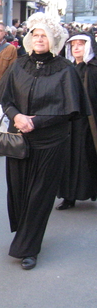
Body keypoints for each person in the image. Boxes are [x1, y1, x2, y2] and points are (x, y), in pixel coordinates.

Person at [0, 12, 86, 271]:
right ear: (29, 38)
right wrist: (17, 117)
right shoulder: (19, 65)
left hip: (51, 142)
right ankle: (24, 233)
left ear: (54, 39)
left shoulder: (65, 70)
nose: (39, 39)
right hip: (19, 140)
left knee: (40, 194)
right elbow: (5, 98)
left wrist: (36, 121)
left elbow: (70, 110)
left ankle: (29, 247)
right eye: (36, 34)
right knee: (19, 191)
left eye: (44, 35)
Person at [57, 33, 97, 210]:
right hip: (70, 123)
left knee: (89, 158)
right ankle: (69, 196)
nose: (77, 48)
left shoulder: (94, 69)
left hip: (90, 123)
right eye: (74, 45)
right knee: (68, 159)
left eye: (81, 45)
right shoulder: (66, 68)